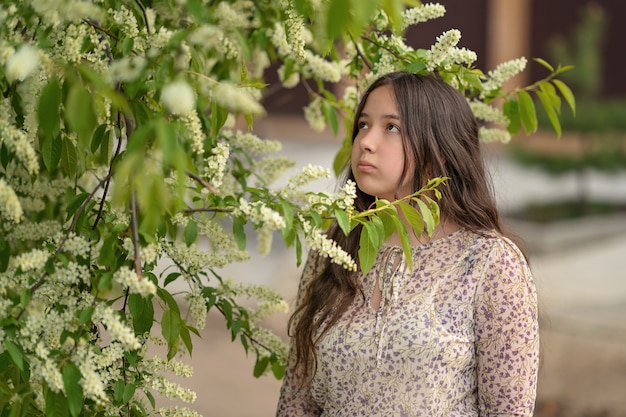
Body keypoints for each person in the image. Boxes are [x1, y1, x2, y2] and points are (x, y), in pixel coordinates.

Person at [276, 72, 539, 417]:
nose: (366, 142)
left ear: (439, 150)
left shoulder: (490, 263)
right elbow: (297, 401)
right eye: (363, 125)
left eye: (392, 128)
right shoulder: (334, 249)